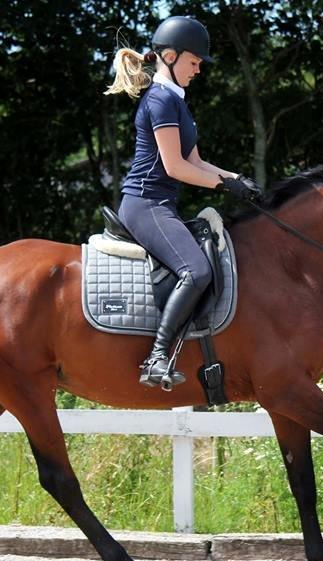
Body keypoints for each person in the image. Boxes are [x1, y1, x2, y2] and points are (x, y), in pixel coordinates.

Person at [105, 16, 261, 388]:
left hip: (159, 204)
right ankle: (156, 358)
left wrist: (235, 178)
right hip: (145, 202)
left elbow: (196, 162)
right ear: (170, 57)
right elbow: (174, 167)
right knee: (197, 270)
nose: (198, 69)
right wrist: (223, 187)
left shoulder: (177, 102)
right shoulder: (160, 101)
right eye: (194, 62)